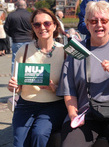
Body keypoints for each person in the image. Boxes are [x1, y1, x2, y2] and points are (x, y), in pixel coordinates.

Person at [56, 1, 109, 146]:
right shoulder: (77, 51)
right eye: (93, 21)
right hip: (86, 113)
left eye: (104, 20)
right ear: (87, 25)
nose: (99, 25)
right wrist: (73, 114)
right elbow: (69, 90)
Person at [7, 8, 67, 147]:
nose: (42, 28)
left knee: (39, 134)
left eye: (46, 23)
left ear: (55, 25)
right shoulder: (25, 50)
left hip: (54, 104)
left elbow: (71, 88)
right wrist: (13, 86)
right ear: (33, 28)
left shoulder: (64, 52)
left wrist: (54, 88)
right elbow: (18, 85)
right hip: (26, 104)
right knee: (19, 142)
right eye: (37, 24)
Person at [4, 0, 32, 73]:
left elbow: (6, 28)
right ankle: (27, 78)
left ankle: (14, 79)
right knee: (29, 60)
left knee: (15, 60)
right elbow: (35, 28)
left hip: (17, 40)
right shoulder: (30, 15)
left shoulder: (11, 15)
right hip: (29, 40)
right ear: (25, 6)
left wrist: (12, 35)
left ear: (16, 6)